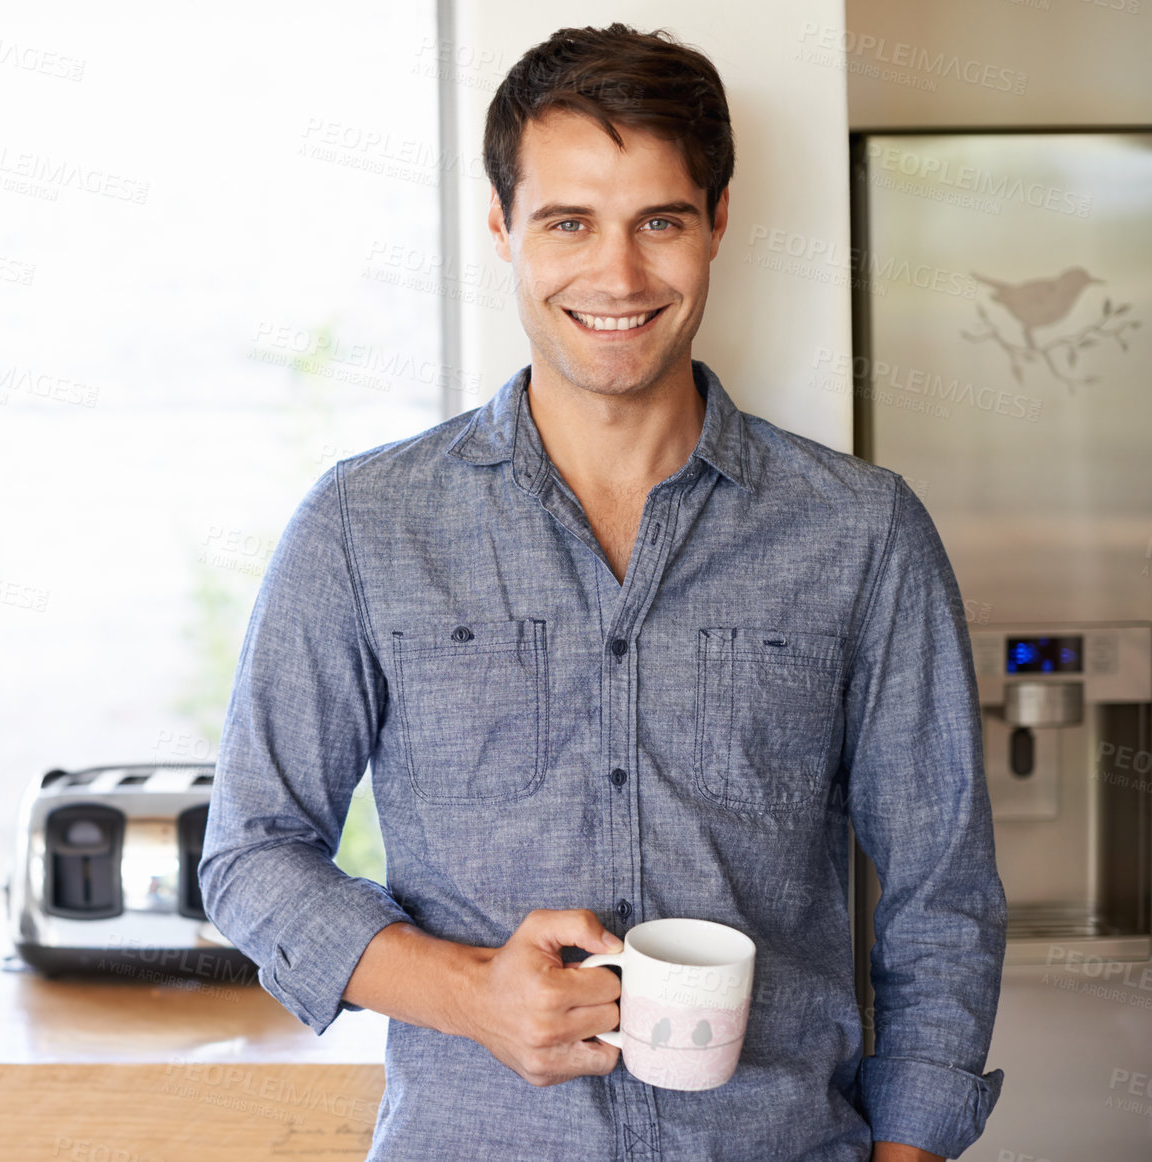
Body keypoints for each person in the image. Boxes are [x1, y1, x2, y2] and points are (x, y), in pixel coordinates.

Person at [199, 22, 1006, 1162]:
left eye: (658, 222)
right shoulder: (362, 526)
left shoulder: (861, 533)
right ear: (502, 228)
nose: (616, 276)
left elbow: (942, 893)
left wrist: (909, 1152)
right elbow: (251, 852)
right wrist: (468, 989)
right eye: (567, 222)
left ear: (717, 221)